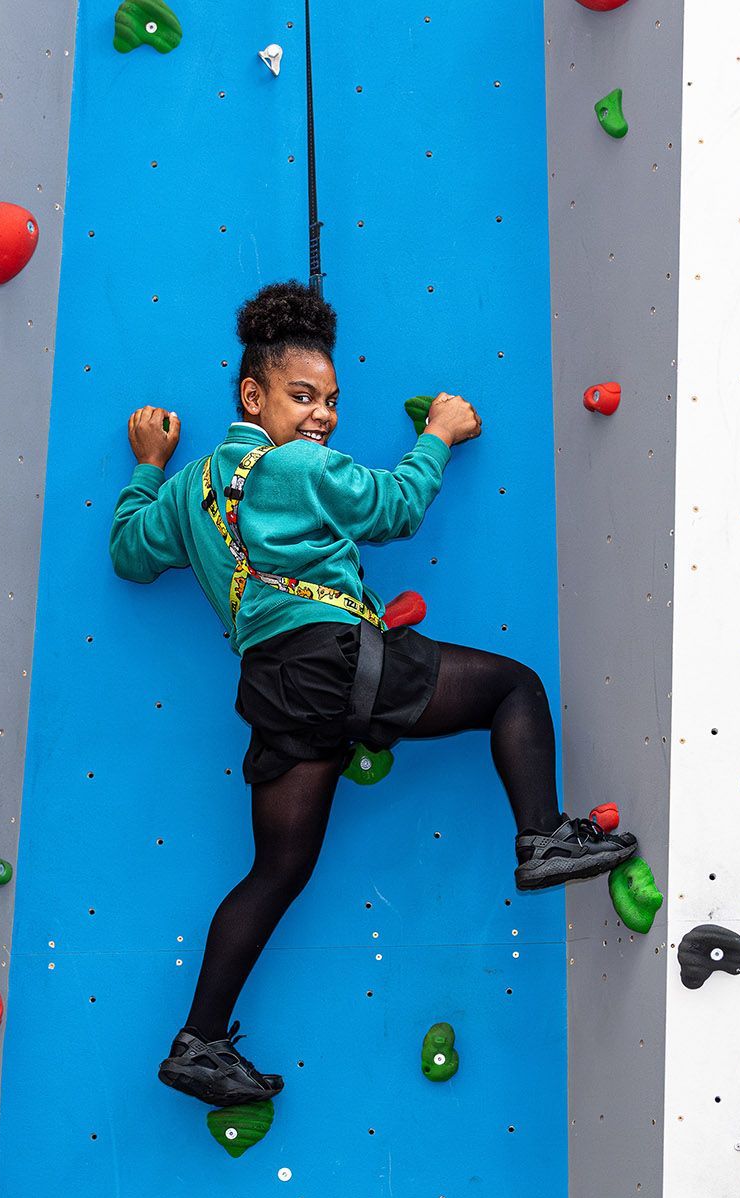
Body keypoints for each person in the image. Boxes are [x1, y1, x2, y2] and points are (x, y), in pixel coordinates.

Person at [109, 280, 636, 1109]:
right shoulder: (300, 465)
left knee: (277, 869)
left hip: (273, 688)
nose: (322, 414)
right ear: (254, 395)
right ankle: (542, 838)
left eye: (330, 399)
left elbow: (131, 553)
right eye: (302, 395)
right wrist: (439, 433)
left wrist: (147, 467)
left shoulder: (188, 494)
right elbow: (396, 506)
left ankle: (198, 1039)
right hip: (334, 660)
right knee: (514, 690)